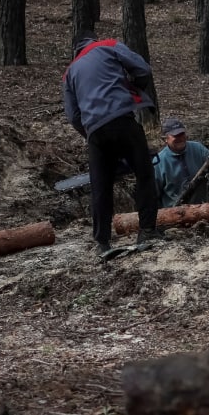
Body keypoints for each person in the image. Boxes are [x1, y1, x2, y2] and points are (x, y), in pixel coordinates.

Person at [62, 30, 162, 254]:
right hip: (122, 119)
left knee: (101, 186)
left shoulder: (70, 71)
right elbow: (143, 68)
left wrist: (90, 132)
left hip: (95, 131)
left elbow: (73, 115)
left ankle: (102, 242)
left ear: (75, 50)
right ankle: (146, 229)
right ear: (93, 40)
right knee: (144, 173)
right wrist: (136, 86)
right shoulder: (108, 45)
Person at [152, 118, 209, 208]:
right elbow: (154, 195)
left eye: (182, 134)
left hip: (202, 210)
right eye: (176, 135)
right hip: (174, 215)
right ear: (165, 139)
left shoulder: (199, 150)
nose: (180, 138)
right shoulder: (159, 162)